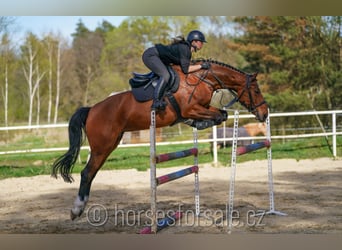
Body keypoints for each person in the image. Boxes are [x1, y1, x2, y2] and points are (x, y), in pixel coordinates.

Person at [142, 30, 210, 110]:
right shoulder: (185, 49)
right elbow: (186, 69)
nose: (202, 44)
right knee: (165, 75)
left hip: (157, 57)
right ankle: (156, 101)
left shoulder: (186, 49)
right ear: (194, 41)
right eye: (201, 42)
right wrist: (201, 66)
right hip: (151, 55)